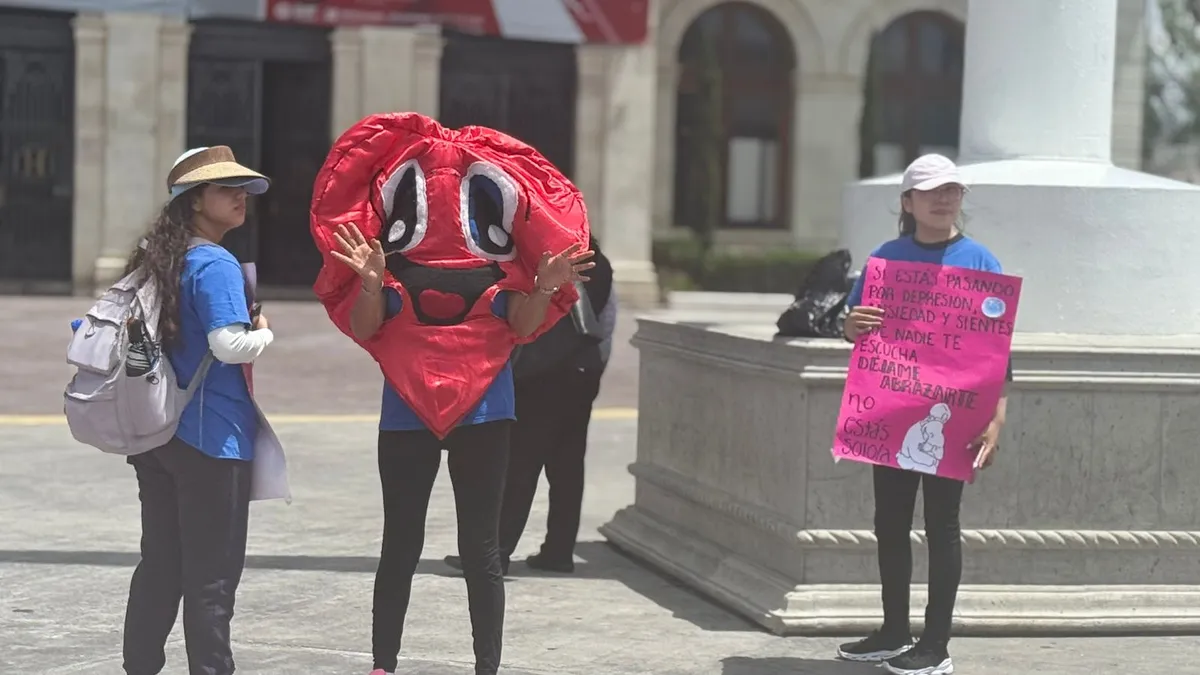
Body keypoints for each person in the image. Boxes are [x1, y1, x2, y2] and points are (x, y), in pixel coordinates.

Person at [308, 112, 594, 675]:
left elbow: (523, 323)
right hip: (406, 416)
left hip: (487, 415)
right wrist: (370, 283)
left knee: (481, 552)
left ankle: (486, 665)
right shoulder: (391, 278)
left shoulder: (501, 281)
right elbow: (367, 327)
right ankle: (382, 665)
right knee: (400, 546)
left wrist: (541, 284)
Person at [835, 154, 1010, 675]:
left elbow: (999, 352)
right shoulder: (884, 260)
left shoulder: (981, 262)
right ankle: (894, 630)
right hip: (890, 411)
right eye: (932, 190)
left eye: (953, 189)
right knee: (888, 522)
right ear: (907, 202)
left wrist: (996, 417)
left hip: (955, 419)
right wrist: (852, 325)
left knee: (942, 524)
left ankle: (936, 643)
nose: (944, 198)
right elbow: (854, 332)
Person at [119, 146, 275, 675]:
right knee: (211, 577)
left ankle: (139, 667)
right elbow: (230, 345)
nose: (240, 197)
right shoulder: (213, 261)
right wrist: (265, 332)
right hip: (212, 437)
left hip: (157, 433)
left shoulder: (158, 257)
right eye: (225, 188)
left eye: (242, 189)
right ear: (193, 201)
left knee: (160, 564)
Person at [444, 235, 617, 575]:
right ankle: (558, 551)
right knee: (567, 465)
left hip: (542, 375)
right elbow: (608, 319)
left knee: (521, 463)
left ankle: (497, 554)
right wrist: (594, 368)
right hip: (583, 372)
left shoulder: (541, 261)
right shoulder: (601, 263)